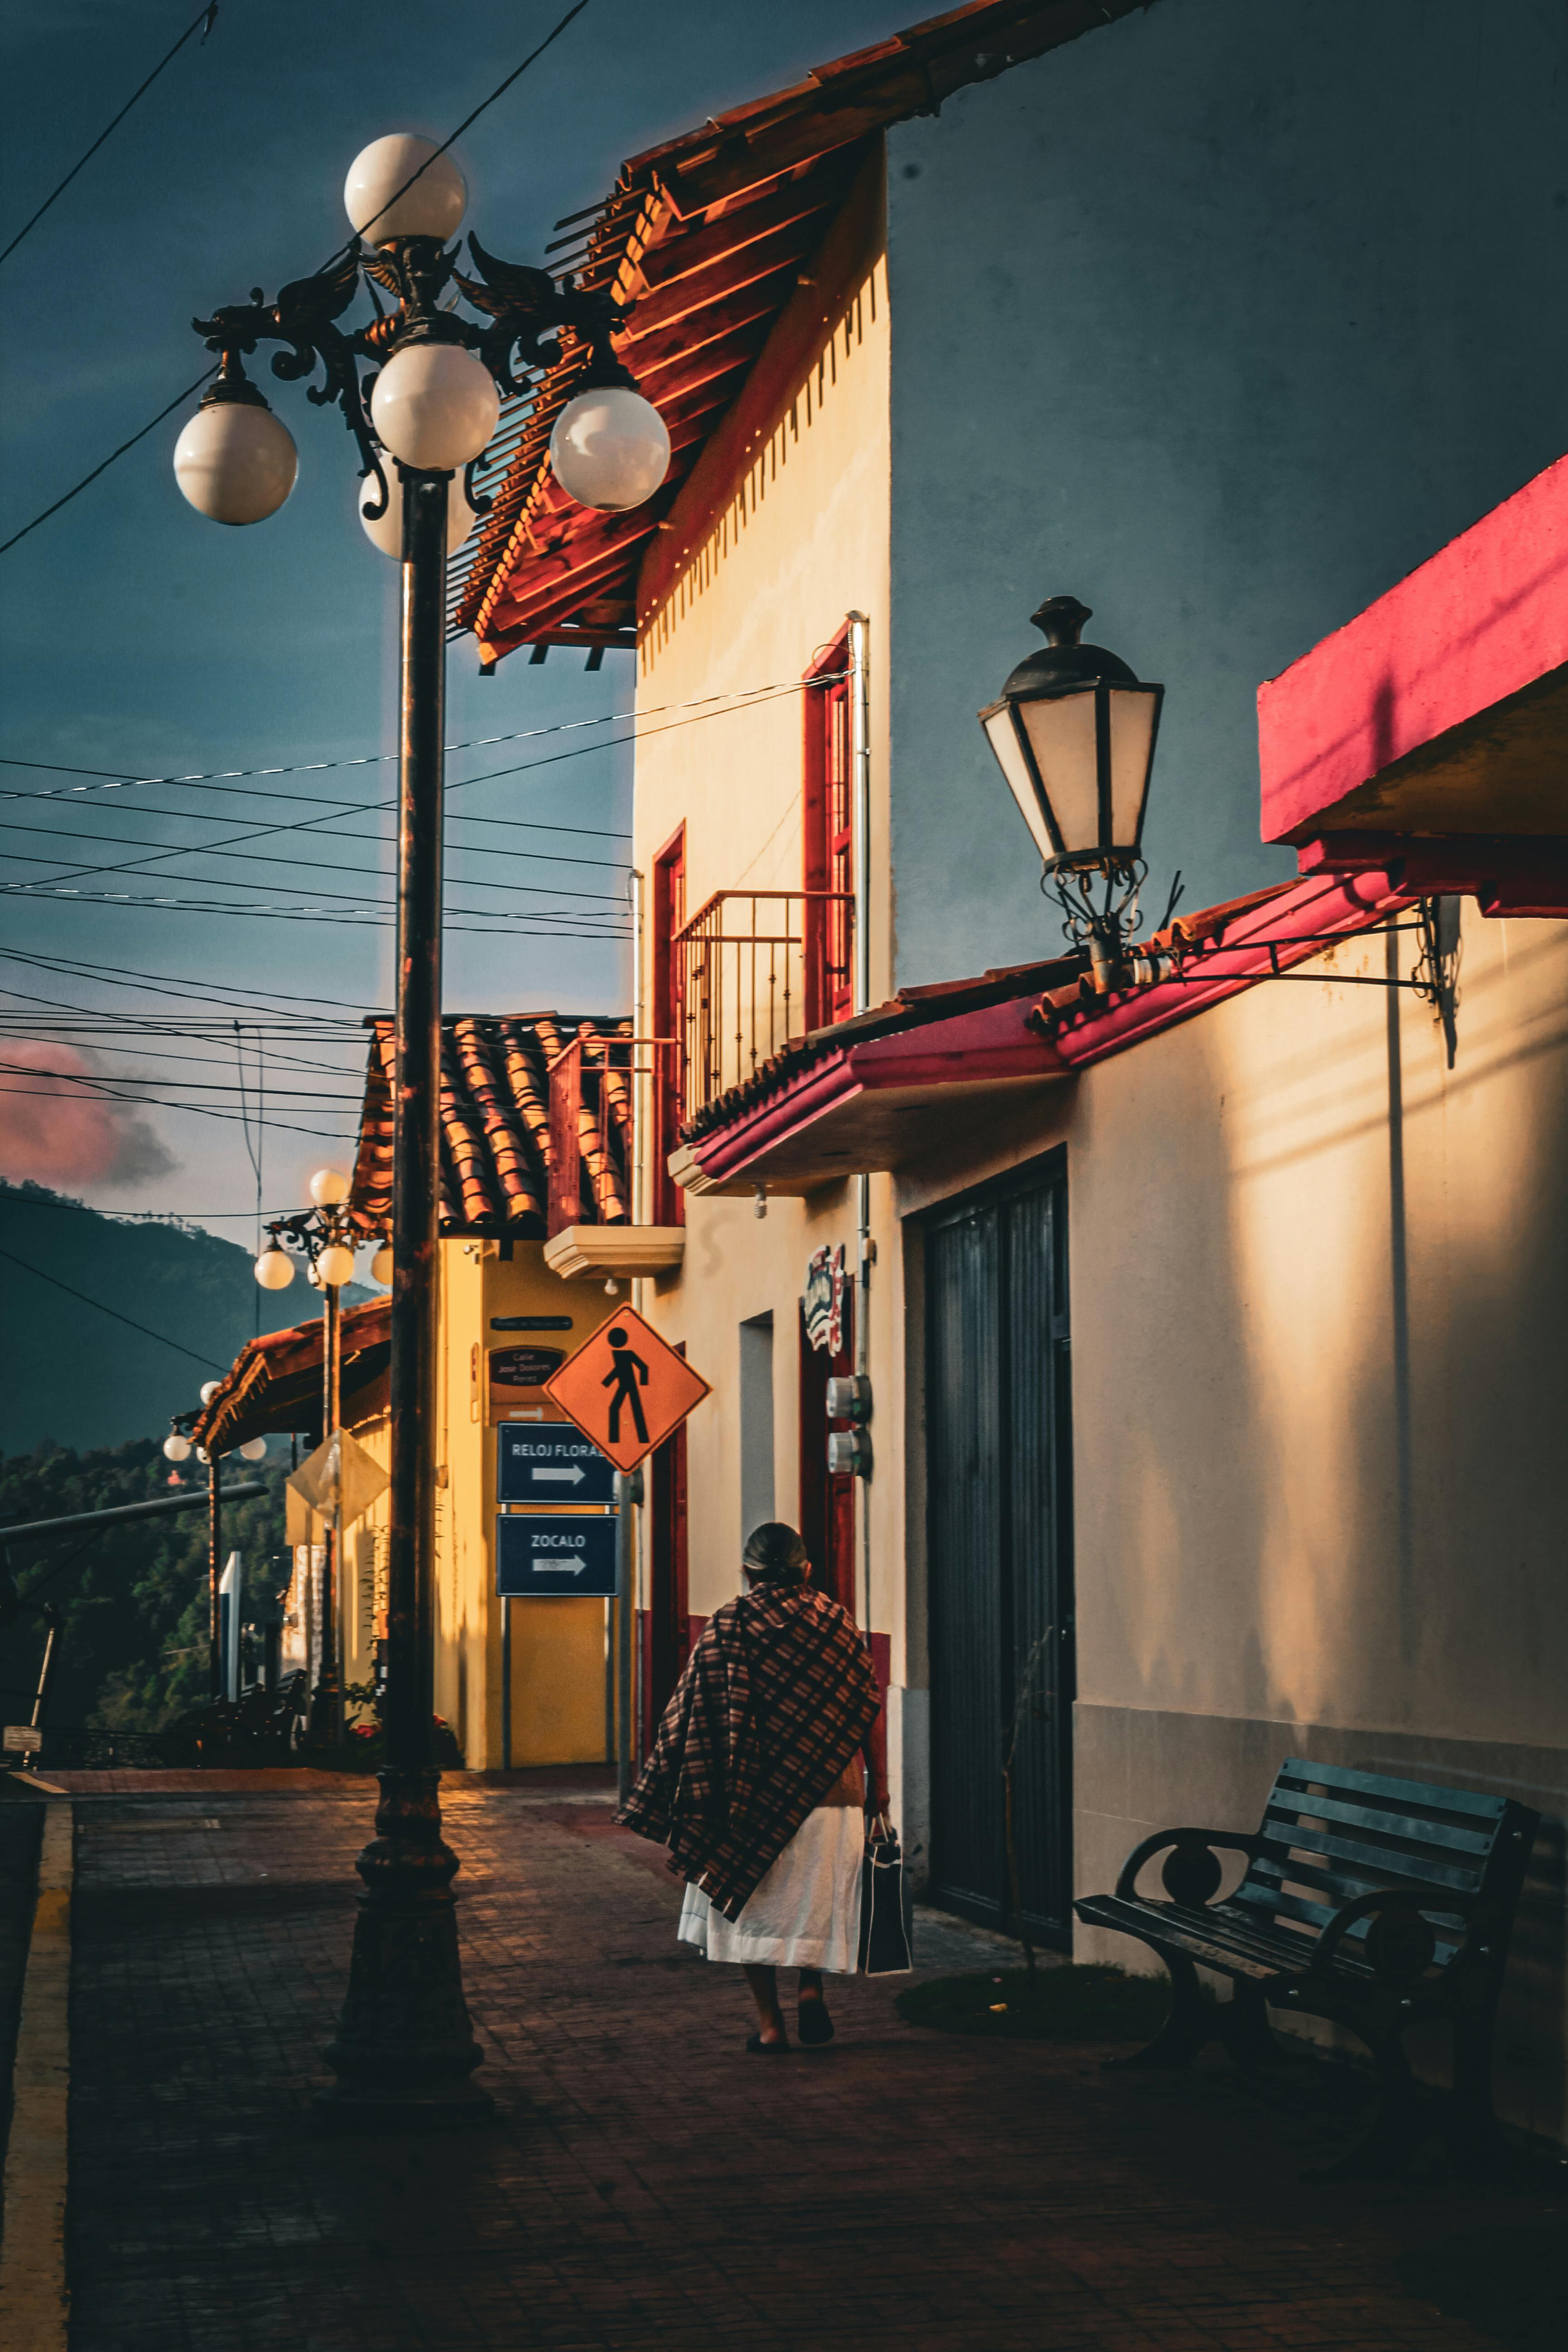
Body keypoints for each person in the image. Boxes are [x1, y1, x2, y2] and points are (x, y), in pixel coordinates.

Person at [619, 1520, 887, 2051]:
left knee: (745, 1908)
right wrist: (878, 1784)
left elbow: (691, 1710)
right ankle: (810, 1989)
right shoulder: (836, 1624)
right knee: (815, 1907)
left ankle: (770, 2027)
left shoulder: (728, 1625)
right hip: (832, 1798)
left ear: (747, 1573)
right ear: (807, 1570)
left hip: (745, 1800)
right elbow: (868, 1708)